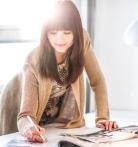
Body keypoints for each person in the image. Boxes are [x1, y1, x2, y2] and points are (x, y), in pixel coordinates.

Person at [0, 0, 118, 143]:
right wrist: (28, 127)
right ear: (45, 33)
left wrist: (103, 118)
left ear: (76, 32)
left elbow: (97, 80)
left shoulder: (82, 41)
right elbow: (25, 116)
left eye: (67, 32)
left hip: (53, 114)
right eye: (53, 32)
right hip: (16, 97)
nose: (59, 39)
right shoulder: (33, 60)